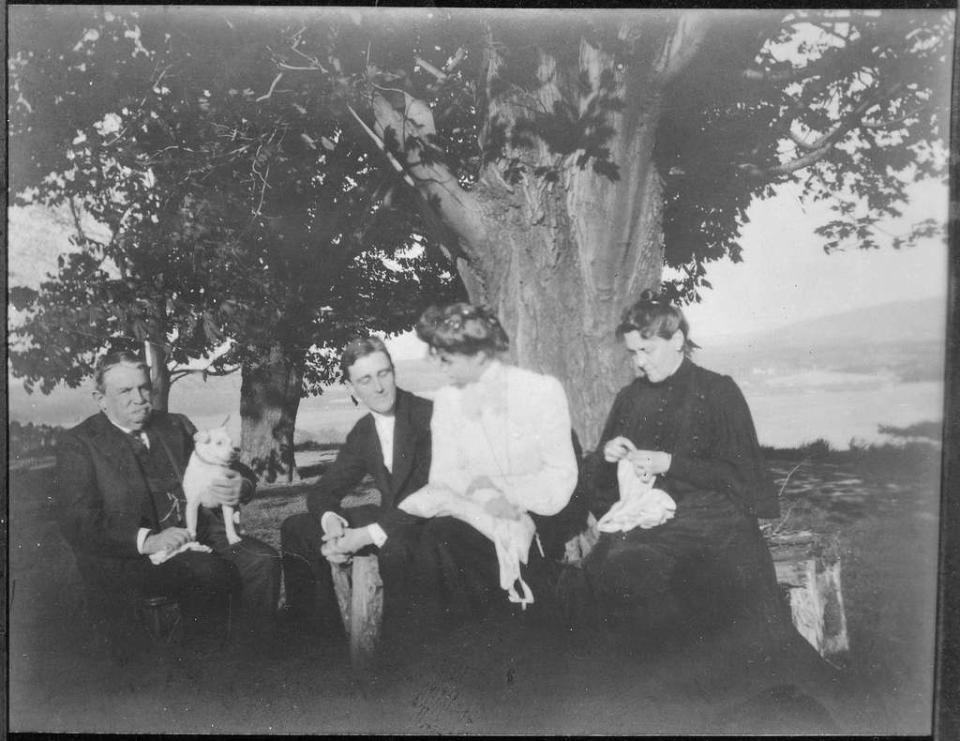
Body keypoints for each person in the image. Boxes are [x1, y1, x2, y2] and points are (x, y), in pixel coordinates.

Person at [570, 291, 789, 649]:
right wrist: (606, 459)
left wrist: (671, 463)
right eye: (633, 353)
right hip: (649, 521)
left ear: (677, 341)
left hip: (715, 523)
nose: (639, 363)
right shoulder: (630, 399)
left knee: (643, 570)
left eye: (647, 350)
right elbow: (603, 492)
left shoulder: (718, 392)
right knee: (609, 569)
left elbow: (744, 478)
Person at [57, 350, 280, 660]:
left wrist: (239, 486)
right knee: (207, 572)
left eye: (144, 387)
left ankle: (249, 662)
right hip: (134, 559)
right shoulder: (80, 444)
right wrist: (147, 540)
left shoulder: (174, 426)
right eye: (125, 391)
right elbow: (78, 521)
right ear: (101, 397)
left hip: (200, 537)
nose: (139, 398)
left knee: (263, 561)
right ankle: (201, 677)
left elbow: (234, 466)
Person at [399, 303, 579, 628]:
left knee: (454, 546)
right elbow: (444, 474)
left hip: (536, 513)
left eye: (448, 360)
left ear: (480, 356)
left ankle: (514, 637)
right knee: (437, 539)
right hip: (472, 510)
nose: (441, 368)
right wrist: (485, 497)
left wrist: (510, 497)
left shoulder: (540, 391)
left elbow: (561, 474)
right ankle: (462, 650)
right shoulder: (448, 399)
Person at [279, 337, 433, 644]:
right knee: (297, 528)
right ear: (352, 388)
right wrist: (331, 522)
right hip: (390, 519)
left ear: (393, 372)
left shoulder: (427, 416)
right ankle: (319, 636)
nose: (378, 387)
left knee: (397, 548)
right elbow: (324, 490)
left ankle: (398, 655)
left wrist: (364, 536)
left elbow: (425, 496)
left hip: (428, 524)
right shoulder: (364, 430)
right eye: (365, 379)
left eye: (383, 374)